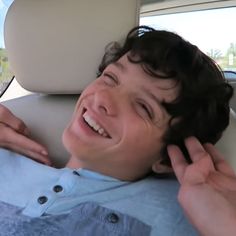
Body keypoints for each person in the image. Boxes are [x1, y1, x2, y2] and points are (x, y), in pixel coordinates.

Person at [0, 25, 234, 235]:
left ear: (167, 158)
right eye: (110, 78)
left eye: (143, 107)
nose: (103, 97)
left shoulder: (187, 211)